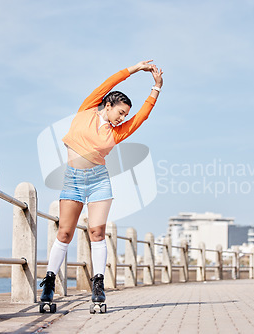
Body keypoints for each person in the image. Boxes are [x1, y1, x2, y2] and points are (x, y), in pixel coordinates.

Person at [40, 60, 164, 306]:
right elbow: (108, 83)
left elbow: (142, 117)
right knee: (64, 233)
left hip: (98, 182)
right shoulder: (86, 110)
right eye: (120, 112)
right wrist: (134, 69)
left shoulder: (116, 132)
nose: (122, 118)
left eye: (125, 115)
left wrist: (156, 89)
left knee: (97, 233)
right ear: (108, 105)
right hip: (73, 181)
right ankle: (49, 283)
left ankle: (98, 285)